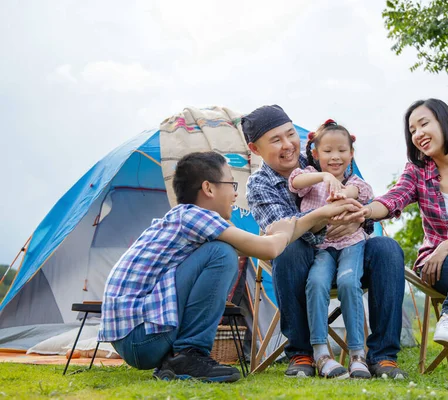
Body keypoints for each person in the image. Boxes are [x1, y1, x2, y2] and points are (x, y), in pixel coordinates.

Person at [98, 151, 357, 383]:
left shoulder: (189, 220)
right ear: (209, 188)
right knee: (222, 254)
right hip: (141, 337)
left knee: (222, 249)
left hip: (137, 338)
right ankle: (190, 353)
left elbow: (265, 243)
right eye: (231, 184)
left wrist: (317, 215)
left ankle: (176, 360)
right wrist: (297, 224)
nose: (235, 194)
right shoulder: (195, 216)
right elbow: (270, 248)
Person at [340, 98, 448, 383]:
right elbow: (393, 199)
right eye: (412, 130)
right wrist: (365, 210)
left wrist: (446, 245)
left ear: (444, 121)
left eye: (424, 123)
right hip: (441, 266)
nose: (418, 134)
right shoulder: (417, 171)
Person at [243, 105, 406, 379]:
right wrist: (325, 215)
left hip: (349, 253)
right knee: (290, 247)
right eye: (275, 140)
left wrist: (356, 218)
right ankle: (302, 353)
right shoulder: (260, 184)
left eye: (290, 134)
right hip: (300, 263)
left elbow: (360, 198)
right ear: (255, 149)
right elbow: (283, 231)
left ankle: (383, 356)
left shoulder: (322, 157)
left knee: (387, 248)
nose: (287, 145)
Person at [288, 119, 374, 379]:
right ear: (315, 154)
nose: (335, 157)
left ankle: (358, 354)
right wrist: (325, 177)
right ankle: (320, 352)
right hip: (322, 249)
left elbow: (363, 191)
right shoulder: (309, 180)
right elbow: (295, 181)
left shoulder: (356, 182)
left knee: (349, 282)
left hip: (351, 246)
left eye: (341, 151)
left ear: (351, 154)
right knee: (315, 283)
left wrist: (343, 189)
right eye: (327, 151)